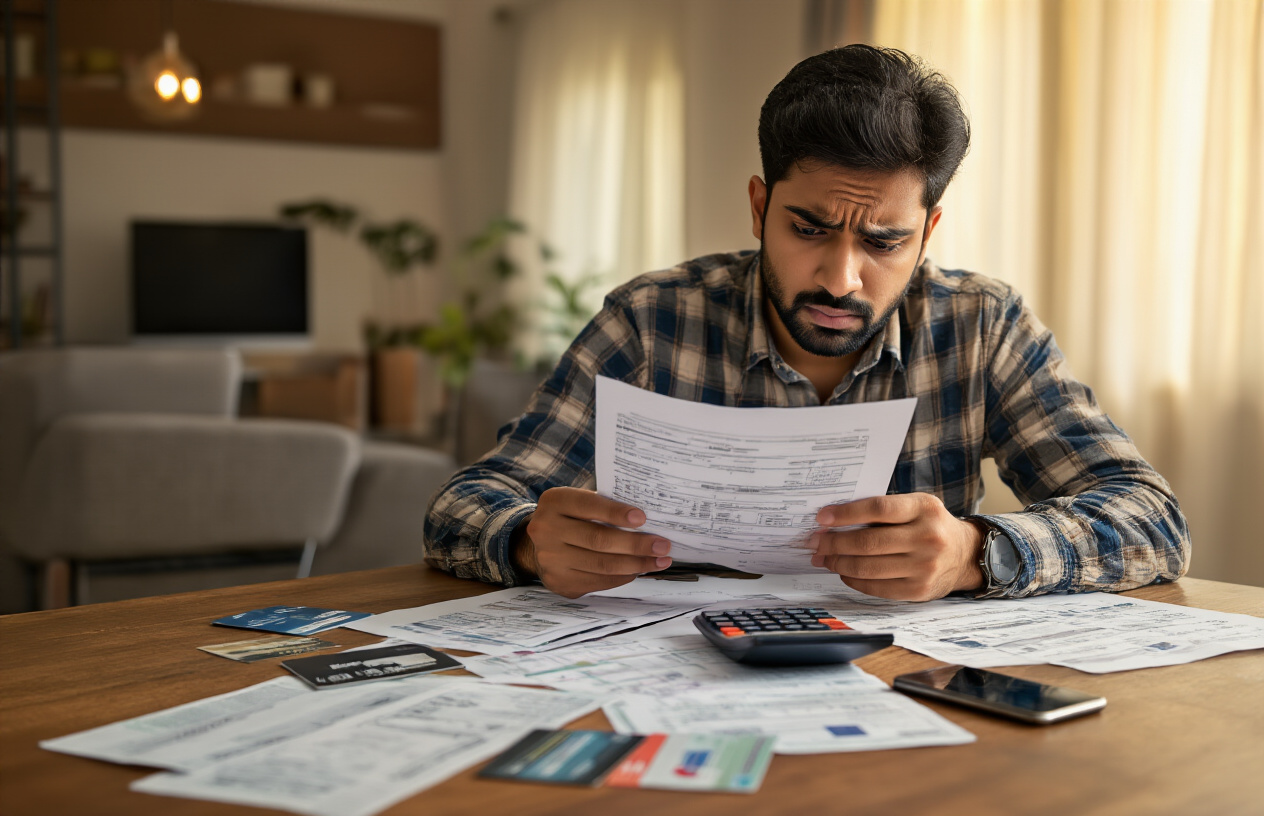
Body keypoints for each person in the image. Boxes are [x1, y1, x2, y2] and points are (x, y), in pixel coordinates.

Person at [424, 44, 1190, 601]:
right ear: (760, 207)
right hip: (668, 675)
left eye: (885, 241)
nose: (840, 278)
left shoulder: (980, 325)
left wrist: (976, 551)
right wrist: (526, 542)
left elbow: (1152, 520)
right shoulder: (653, 322)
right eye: (809, 229)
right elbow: (465, 504)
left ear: (929, 231)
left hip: (904, 687)